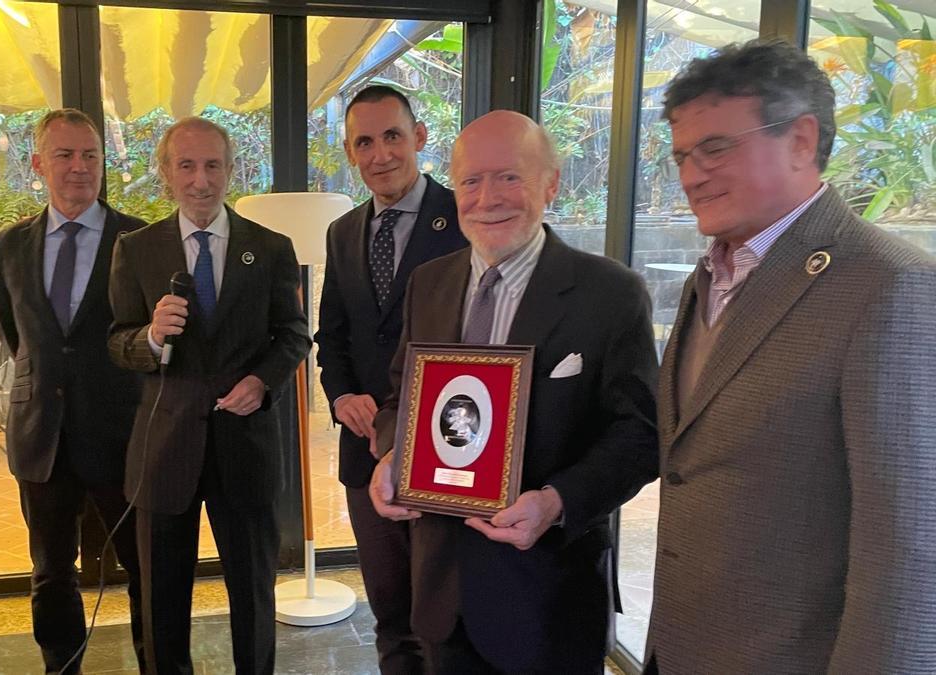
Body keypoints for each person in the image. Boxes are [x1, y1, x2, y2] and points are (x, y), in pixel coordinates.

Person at [645, 39, 936, 674]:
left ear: (802, 140)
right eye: (683, 156)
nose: (692, 174)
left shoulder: (892, 287)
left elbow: (910, 548)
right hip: (685, 646)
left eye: (716, 148)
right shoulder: (711, 277)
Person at [371, 110, 659, 674]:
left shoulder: (610, 293)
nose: (487, 198)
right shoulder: (428, 284)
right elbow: (400, 398)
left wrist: (556, 503)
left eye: (509, 177)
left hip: (549, 600)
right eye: (470, 181)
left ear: (550, 184)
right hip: (440, 592)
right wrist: (390, 454)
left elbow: (641, 435)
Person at [108, 117, 310, 675]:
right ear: (167, 173)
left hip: (245, 448)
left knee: (253, 594)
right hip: (164, 450)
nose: (202, 180)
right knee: (162, 600)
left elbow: (293, 334)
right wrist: (149, 337)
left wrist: (262, 382)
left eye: (213, 165)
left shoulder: (270, 248)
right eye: (187, 166)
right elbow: (117, 343)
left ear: (230, 169)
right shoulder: (137, 249)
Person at [313, 84, 467, 674]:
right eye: (364, 142)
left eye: (392, 136)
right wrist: (342, 393)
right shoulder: (343, 231)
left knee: (445, 616)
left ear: (419, 137)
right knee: (391, 616)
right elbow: (335, 334)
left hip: (444, 446)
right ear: (352, 152)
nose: (380, 154)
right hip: (363, 449)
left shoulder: (465, 217)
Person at [0, 108, 147, 674]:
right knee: (51, 573)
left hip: (121, 436)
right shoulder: (9, 246)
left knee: (143, 569)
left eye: (91, 156)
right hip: (42, 439)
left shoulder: (140, 240)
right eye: (65, 155)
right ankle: (61, 667)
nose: (79, 167)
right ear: (38, 163)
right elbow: (19, 336)